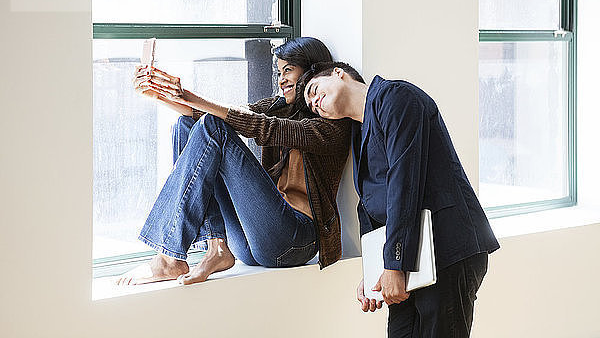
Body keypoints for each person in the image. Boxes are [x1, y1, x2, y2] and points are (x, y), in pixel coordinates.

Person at [117, 38, 352, 286]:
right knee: (187, 125)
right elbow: (226, 113)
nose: (281, 79)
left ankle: (168, 258)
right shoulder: (279, 106)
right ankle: (216, 246)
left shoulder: (333, 124)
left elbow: (264, 128)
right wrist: (158, 95)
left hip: (296, 240)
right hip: (254, 239)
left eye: (288, 70)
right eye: (278, 71)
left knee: (212, 126)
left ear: (312, 71)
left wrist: (186, 94)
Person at [301, 62, 500, 338]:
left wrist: (393, 264)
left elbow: (404, 184)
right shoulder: (359, 133)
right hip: (412, 259)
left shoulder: (396, 97)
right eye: (311, 106)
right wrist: (375, 274)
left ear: (338, 73)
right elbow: (371, 205)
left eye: (314, 91)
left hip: (446, 251)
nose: (315, 103)